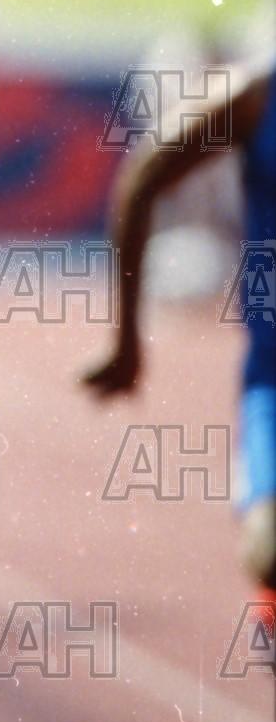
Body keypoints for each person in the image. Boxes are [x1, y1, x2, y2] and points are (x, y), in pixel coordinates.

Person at [82, 65, 276, 599]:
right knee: (269, 549)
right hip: (273, 373)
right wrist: (126, 341)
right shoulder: (256, 99)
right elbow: (144, 177)